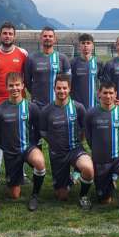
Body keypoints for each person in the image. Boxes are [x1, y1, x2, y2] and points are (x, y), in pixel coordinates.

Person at [0, 72, 46, 211]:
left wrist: (33, 145)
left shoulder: (31, 107)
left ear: (22, 86)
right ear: (6, 87)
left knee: (40, 162)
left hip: (27, 148)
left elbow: (38, 128)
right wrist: (6, 147)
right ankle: (13, 181)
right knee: (14, 195)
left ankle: (35, 195)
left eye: (17, 85)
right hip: (11, 152)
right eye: (11, 85)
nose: (14, 88)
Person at [84, 81, 119, 215]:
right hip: (100, 161)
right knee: (104, 200)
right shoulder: (91, 113)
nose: (108, 96)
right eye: (105, 93)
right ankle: (108, 182)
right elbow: (89, 137)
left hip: (118, 158)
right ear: (99, 94)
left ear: (115, 95)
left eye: (111, 93)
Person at [40, 74, 94, 210]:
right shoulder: (47, 110)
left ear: (69, 89)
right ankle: (68, 181)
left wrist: (79, 141)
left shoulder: (78, 107)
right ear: (54, 88)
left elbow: (84, 128)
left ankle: (83, 195)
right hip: (57, 153)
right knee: (62, 196)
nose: (61, 91)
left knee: (88, 169)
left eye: (64, 88)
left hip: (75, 150)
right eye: (59, 88)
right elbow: (43, 131)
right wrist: (54, 142)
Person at [0, 22, 28, 182]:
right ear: (0, 35)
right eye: (5, 33)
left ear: (14, 36)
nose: (7, 36)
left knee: (19, 138)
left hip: (18, 103)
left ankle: (21, 173)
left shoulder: (23, 53)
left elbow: (26, 75)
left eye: (10, 33)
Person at [24, 26, 71, 109]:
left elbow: (68, 81)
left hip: (58, 104)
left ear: (55, 39)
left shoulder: (63, 58)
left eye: (50, 36)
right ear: (40, 39)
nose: (47, 38)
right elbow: (27, 81)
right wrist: (36, 93)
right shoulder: (31, 58)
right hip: (37, 105)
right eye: (45, 36)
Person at [70, 33, 103, 110]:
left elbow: (103, 83)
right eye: (83, 43)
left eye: (88, 43)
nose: (85, 45)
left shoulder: (98, 63)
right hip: (76, 105)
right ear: (79, 46)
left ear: (92, 46)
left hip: (94, 105)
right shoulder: (72, 63)